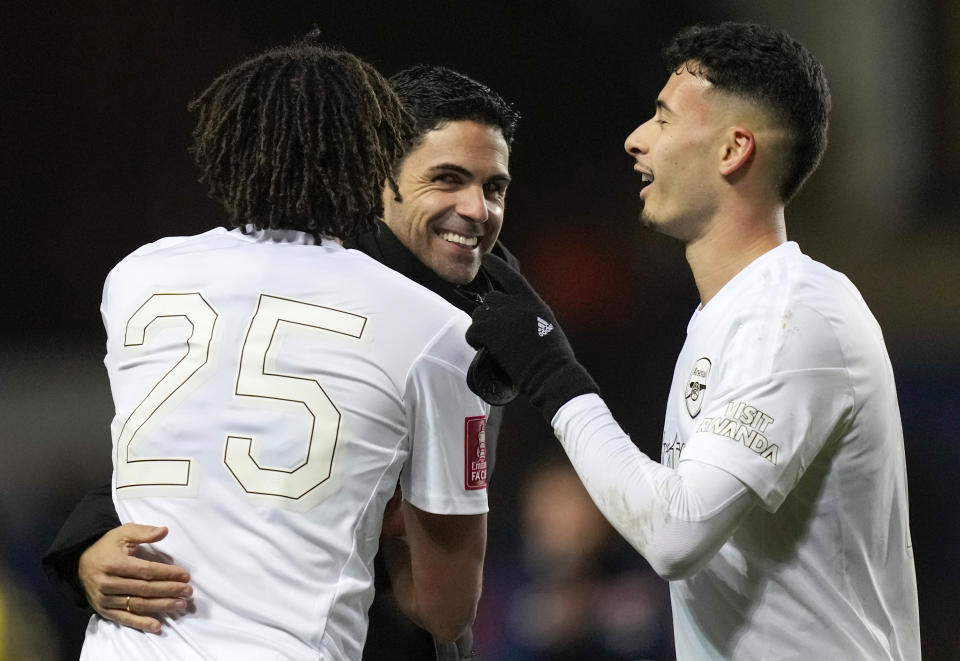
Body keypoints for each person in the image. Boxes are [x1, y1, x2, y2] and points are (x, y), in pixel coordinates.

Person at [465, 21, 920, 659]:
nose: (635, 139)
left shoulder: (796, 314)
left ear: (733, 150)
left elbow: (676, 534)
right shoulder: (726, 318)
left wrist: (552, 375)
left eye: (664, 118)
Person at [43, 64, 521, 660]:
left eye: (494, 187)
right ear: (379, 171)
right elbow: (445, 606)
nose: (475, 209)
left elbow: (176, 448)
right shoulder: (443, 334)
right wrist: (87, 550)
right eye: (446, 179)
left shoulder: (140, 274)